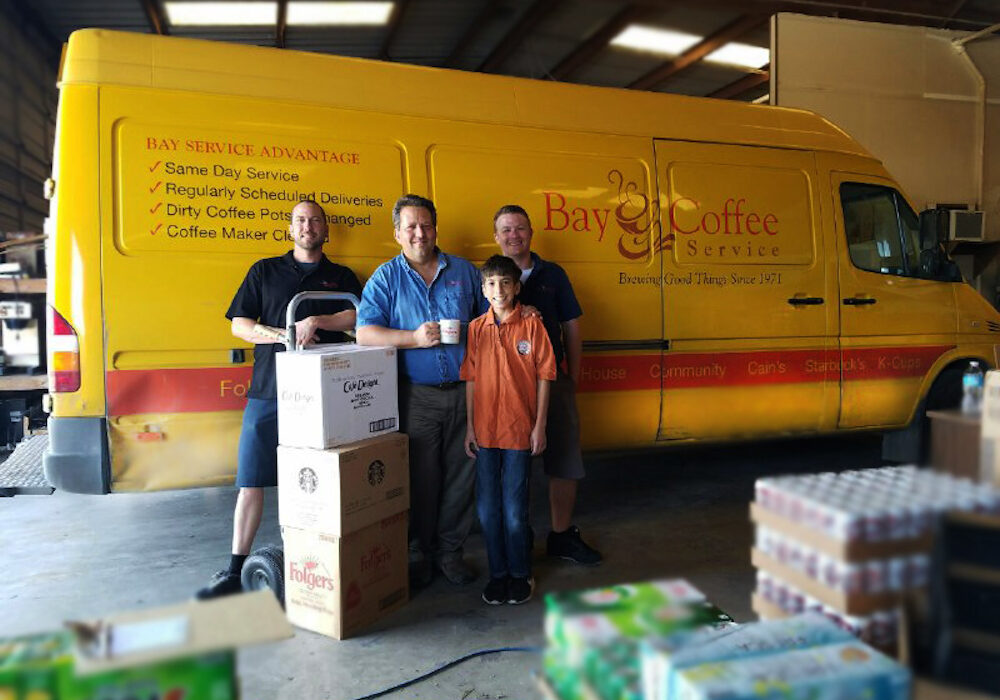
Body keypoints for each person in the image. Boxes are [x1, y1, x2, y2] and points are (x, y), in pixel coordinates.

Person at [196, 199, 362, 599]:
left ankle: (321, 563)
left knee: (322, 482)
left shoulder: (341, 276)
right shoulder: (264, 271)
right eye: (301, 221)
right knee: (251, 481)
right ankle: (234, 569)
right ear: (291, 229)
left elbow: (358, 317)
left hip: (324, 396)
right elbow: (240, 325)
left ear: (326, 229)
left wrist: (318, 320)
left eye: (315, 221)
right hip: (268, 392)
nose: (308, 227)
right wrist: (285, 334)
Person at [356, 194, 488, 588]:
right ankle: (418, 552)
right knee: (420, 480)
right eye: (410, 226)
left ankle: (451, 552)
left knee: (463, 479)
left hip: (467, 393)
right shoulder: (386, 277)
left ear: (436, 228)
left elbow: (491, 319)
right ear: (397, 233)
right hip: (418, 397)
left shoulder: (464, 272)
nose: (419, 233)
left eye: (426, 225)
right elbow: (364, 333)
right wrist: (412, 338)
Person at [492, 204, 602, 565]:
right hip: (508, 389)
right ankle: (517, 538)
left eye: (520, 228)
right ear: (496, 237)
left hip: (554, 382)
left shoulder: (553, 274)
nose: (514, 235)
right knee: (512, 465)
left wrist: (575, 374)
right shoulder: (489, 277)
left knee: (564, 458)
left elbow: (572, 324)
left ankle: (560, 534)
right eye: (506, 230)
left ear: (531, 233)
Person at [461, 255, 555, 605]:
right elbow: (470, 378)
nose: (498, 289)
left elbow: (546, 375)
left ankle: (520, 572)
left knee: (515, 510)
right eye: (490, 283)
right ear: (483, 289)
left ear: (517, 288)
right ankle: (498, 573)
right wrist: (470, 426)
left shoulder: (532, 326)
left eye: (505, 283)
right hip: (484, 433)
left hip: (519, 430)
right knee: (487, 510)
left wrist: (539, 425)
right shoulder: (475, 329)